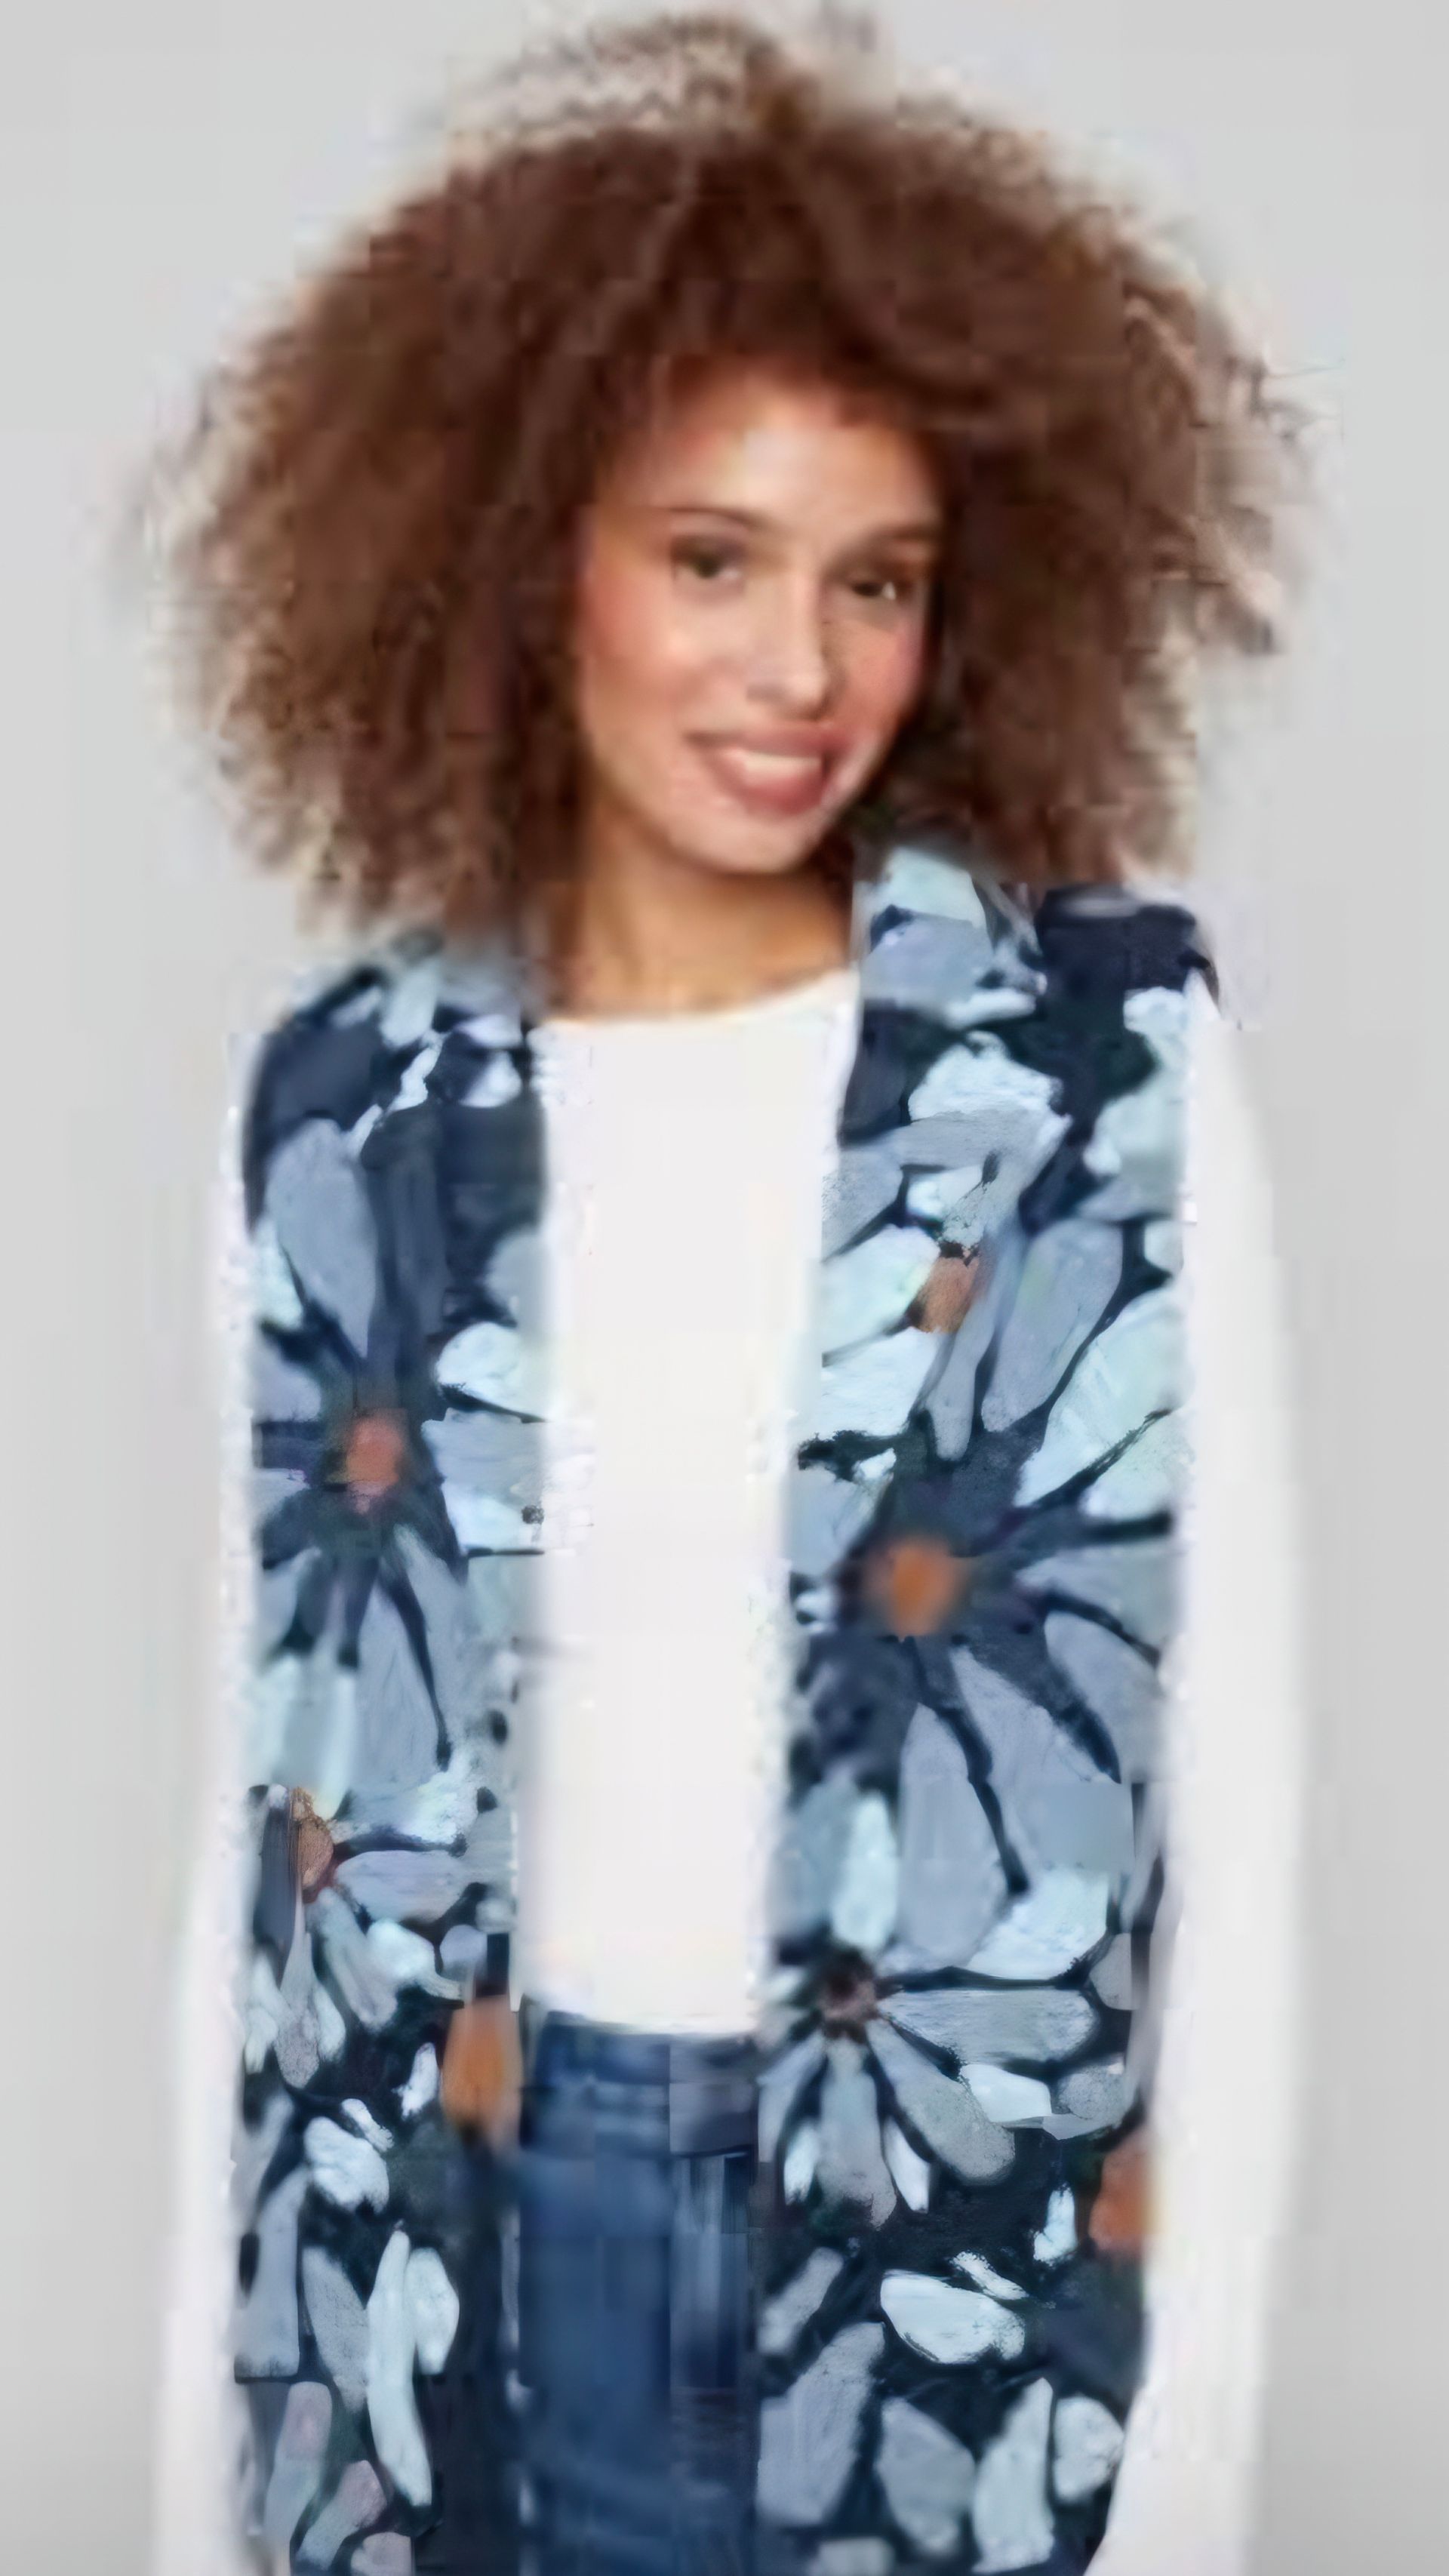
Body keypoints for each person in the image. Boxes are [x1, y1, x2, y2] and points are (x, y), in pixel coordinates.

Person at [138, 12, 1310, 2574]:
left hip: (945, 2266)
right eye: (710, 557)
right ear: (517, 546)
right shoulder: (341, 1107)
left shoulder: (1100, 1061)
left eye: (876, 580)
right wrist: (178, 2489)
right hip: (432, 2253)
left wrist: (1195, 2485)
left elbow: (1243, 1825)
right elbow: (261, 1844)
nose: (802, 672)